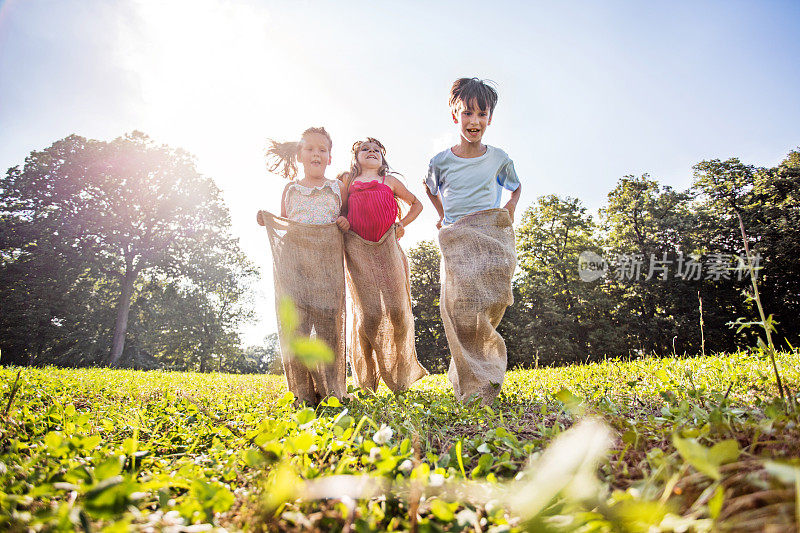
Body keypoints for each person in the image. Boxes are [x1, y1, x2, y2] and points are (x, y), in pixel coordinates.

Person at [424, 78, 522, 404]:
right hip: (456, 240)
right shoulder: (441, 162)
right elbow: (429, 188)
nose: (474, 121)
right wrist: (441, 215)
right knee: (461, 311)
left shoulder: (498, 159)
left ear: (490, 118)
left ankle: (471, 366)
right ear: (455, 115)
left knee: (493, 300)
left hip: (488, 235)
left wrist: (508, 208)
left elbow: (515, 187)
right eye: (467, 113)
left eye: (482, 114)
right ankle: (477, 383)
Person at [257, 126, 349, 405]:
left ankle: (332, 390)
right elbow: (287, 224)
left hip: (327, 265)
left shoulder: (337, 187)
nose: (316, 154)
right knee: (297, 326)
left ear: (330, 158)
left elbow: (345, 217)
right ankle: (302, 393)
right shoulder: (291, 188)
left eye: (322, 150)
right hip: (295, 264)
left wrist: (345, 222)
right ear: (300, 155)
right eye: (310, 148)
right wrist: (268, 220)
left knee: (328, 325)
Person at [338, 138, 428, 392]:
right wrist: (343, 220)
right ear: (356, 158)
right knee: (371, 315)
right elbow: (341, 210)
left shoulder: (390, 182)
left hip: (387, 248)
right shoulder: (349, 181)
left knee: (398, 311)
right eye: (364, 150)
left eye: (377, 150)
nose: (371, 152)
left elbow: (417, 204)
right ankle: (367, 378)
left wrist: (402, 224)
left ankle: (399, 372)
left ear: (383, 159)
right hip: (357, 249)